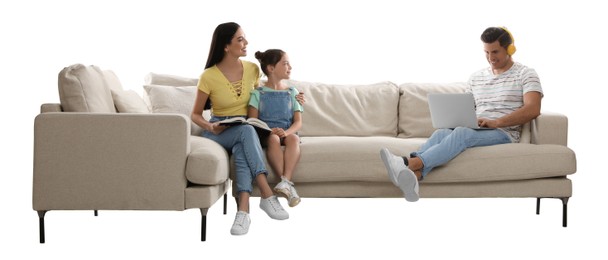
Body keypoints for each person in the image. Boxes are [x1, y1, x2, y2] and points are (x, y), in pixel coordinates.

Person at [380, 26, 543, 202]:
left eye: (495, 52)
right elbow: (467, 108)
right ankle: (415, 176)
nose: (490, 58)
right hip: (479, 128)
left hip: (504, 132)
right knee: (442, 132)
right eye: (486, 52)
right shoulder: (476, 77)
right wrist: (458, 118)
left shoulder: (526, 74)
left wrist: (496, 122)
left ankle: (407, 164)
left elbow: (533, 109)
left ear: (510, 49)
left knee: (461, 133)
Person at [191, 22, 292, 236]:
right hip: (218, 129)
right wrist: (210, 125)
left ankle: (243, 212)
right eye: (240, 39)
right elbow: (196, 114)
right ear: (226, 46)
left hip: (246, 127)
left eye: (245, 38)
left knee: (242, 147)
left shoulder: (253, 69)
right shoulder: (208, 76)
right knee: (246, 132)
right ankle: (266, 194)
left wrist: (294, 96)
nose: (246, 43)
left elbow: (263, 96)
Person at [249, 49, 303, 207]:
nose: (290, 67)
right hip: (268, 134)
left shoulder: (292, 92)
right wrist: (269, 131)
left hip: (288, 131)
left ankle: (285, 181)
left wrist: (285, 132)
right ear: (271, 68)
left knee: (294, 138)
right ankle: (286, 183)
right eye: (285, 63)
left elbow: (298, 122)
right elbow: (252, 120)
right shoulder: (257, 93)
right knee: (273, 138)